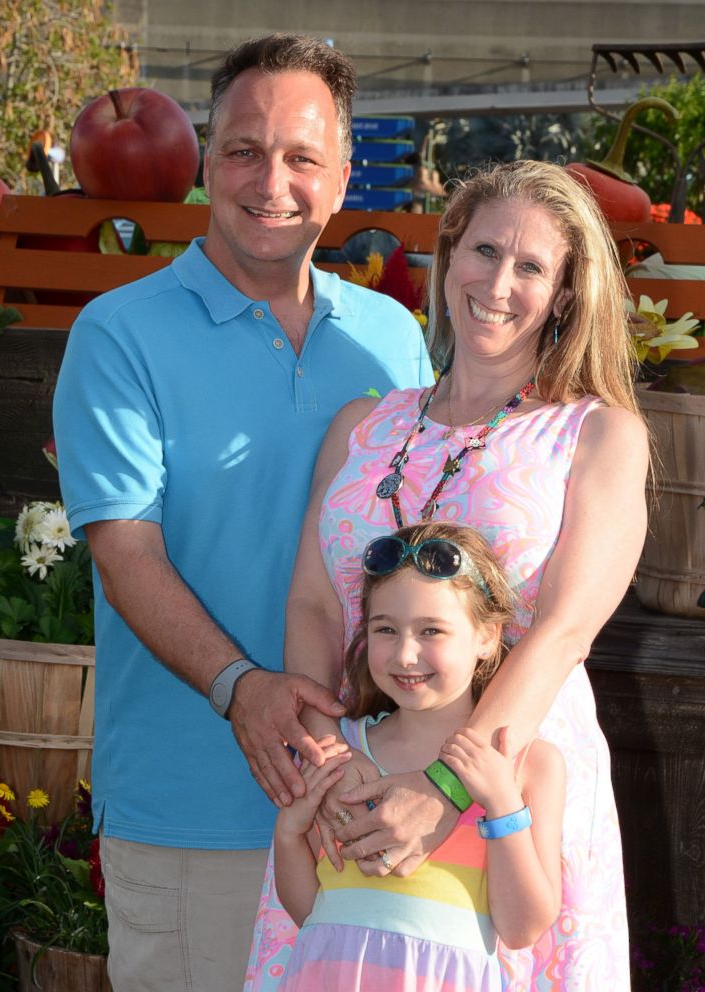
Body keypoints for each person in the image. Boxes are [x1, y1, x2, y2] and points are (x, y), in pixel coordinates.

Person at [52, 33, 433, 992]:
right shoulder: (118, 335)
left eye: (303, 156)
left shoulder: (394, 339)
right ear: (204, 167)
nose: (272, 180)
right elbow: (124, 549)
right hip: (199, 813)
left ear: (343, 179)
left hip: (374, 805)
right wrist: (239, 687)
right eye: (242, 150)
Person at [246, 160, 649, 990]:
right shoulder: (363, 425)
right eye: (484, 249)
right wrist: (331, 767)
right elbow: (315, 603)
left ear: (566, 293)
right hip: (357, 773)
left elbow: (565, 630)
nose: (498, 282)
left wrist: (443, 791)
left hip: (513, 791)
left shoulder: (598, 435)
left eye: (532, 266)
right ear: (447, 256)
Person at [274, 522, 566, 991]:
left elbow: (521, 927)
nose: (406, 655)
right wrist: (290, 833)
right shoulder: (342, 751)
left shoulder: (527, 765)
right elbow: (312, 911)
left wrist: (502, 805)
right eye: (385, 629)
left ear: (488, 637)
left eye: (431, 630)